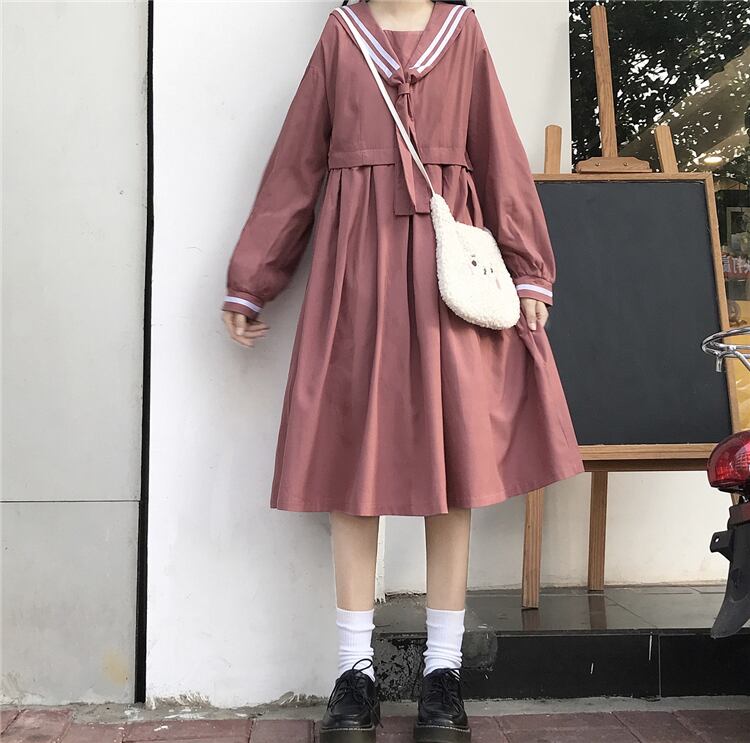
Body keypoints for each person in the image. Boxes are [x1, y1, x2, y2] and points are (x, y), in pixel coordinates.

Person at [220, 1, 585, 740]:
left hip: (447, 289)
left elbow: (500, 156)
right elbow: (296, 168)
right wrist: (252, 278)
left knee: (452, 470)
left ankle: (442, 673)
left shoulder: (463, 32)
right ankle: (353, 673)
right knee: (352, 470)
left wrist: (528, 270)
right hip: (355, 282)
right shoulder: (341, 35)